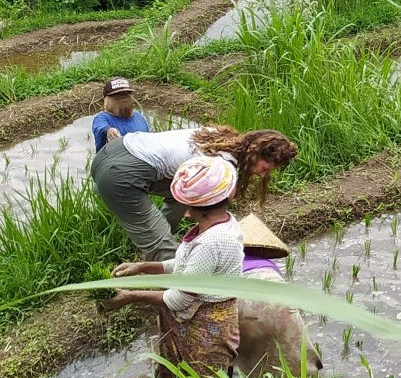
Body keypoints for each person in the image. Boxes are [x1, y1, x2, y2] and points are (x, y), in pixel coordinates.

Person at [102, 156, 244, 378]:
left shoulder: (212, 241)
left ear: (192, 207)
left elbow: (178, 299)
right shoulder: (222, 223)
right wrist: (142, 267)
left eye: (185, 204)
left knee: (200, 372)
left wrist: (129, 296)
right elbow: (187, 264)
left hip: (206, 323)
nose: (184, 210)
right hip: (200, 314)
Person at [91, 125, 297, 261]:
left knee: (184, 194)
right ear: (255, 153)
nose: (263, 176)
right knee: (166, 251)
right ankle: (173, 298)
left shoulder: (220, 137)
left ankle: (161, 233)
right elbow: (212, 215)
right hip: (122, 174)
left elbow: (190, 196)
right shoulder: (222, 166)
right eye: (266, 169)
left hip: (115, 150)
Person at [235, 213, 323, 376]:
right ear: (263, 248)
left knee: (246, 356)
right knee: (296, 357)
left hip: (241, 305)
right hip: (280, 302)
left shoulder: (226, 259)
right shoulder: (268, 265)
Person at [91, 77, 150, 153]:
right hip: (113, 162)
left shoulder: (140, 117)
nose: (122, 98)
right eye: (117, 95)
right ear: (106, 99)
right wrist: (109, 130)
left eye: (125, 94)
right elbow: (100, 127)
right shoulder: (103, 118)